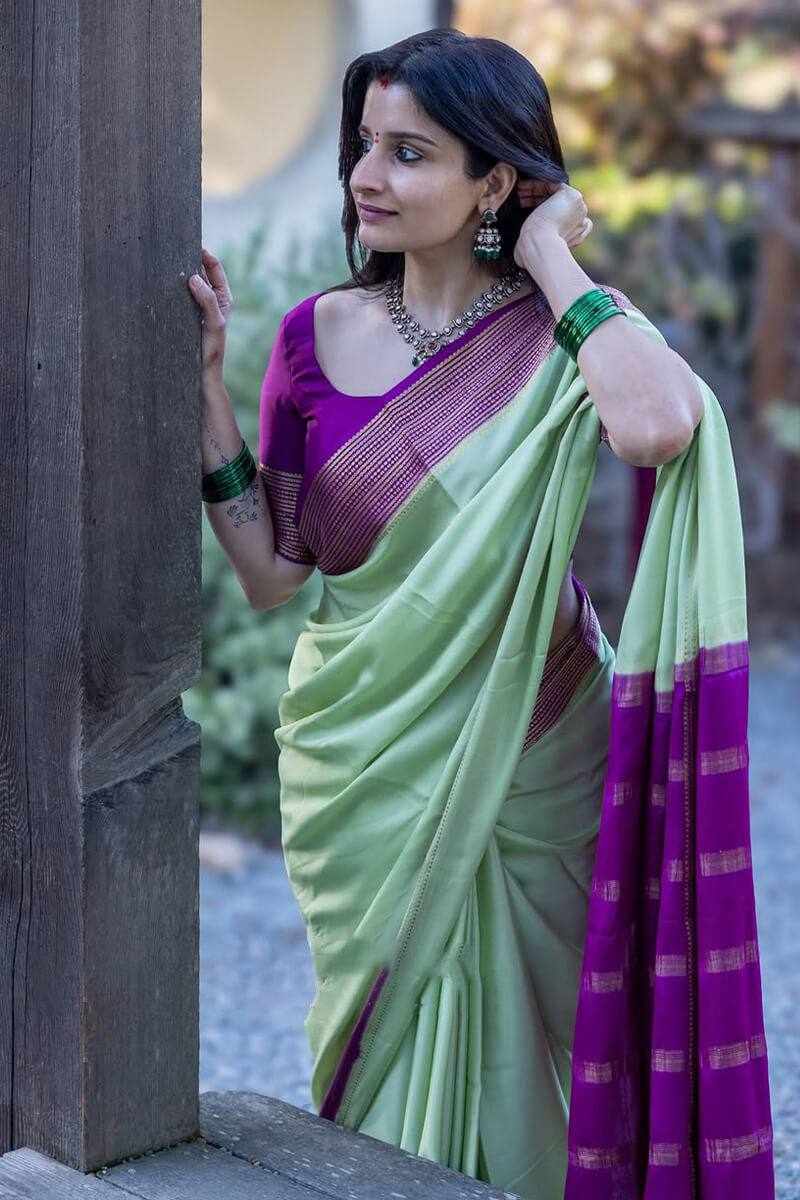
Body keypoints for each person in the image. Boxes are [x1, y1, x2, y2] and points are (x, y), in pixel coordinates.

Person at [189, 28, 774, 1200]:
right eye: (364, 145)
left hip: (533, 748)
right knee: (381, 1051)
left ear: (493, 183)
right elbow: (273, 575)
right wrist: (207, 387)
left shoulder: (564, 335)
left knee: (552, 1045)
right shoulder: (310, 337)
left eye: (408, 154)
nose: (366, 176)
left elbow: (658, 426)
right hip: (366, 756)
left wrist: (553, 260)